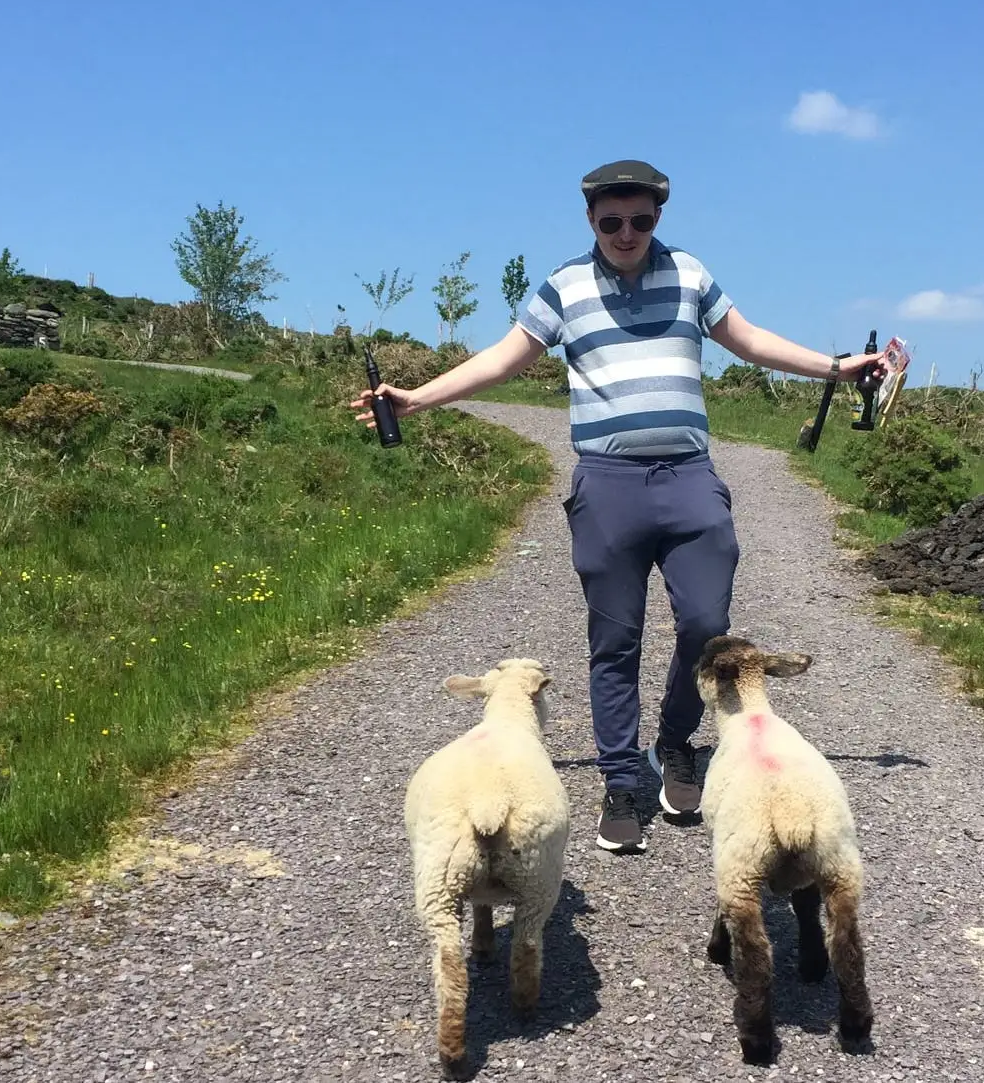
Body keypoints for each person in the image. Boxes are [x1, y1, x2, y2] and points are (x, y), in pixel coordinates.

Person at [350, 159, 886, 853]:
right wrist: (417, 398)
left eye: (640, 220)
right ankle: (620, 777)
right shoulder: (564, 286)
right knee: (615, 639)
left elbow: (748, 339)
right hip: (606, 480)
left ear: (657, 217)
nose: (626, 233)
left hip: (689, 476)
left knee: (706, 622)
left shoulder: (689, 273)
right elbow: (503, 359)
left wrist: (834, 367)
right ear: (590, 221)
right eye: (611, 222)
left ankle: (672, 744)